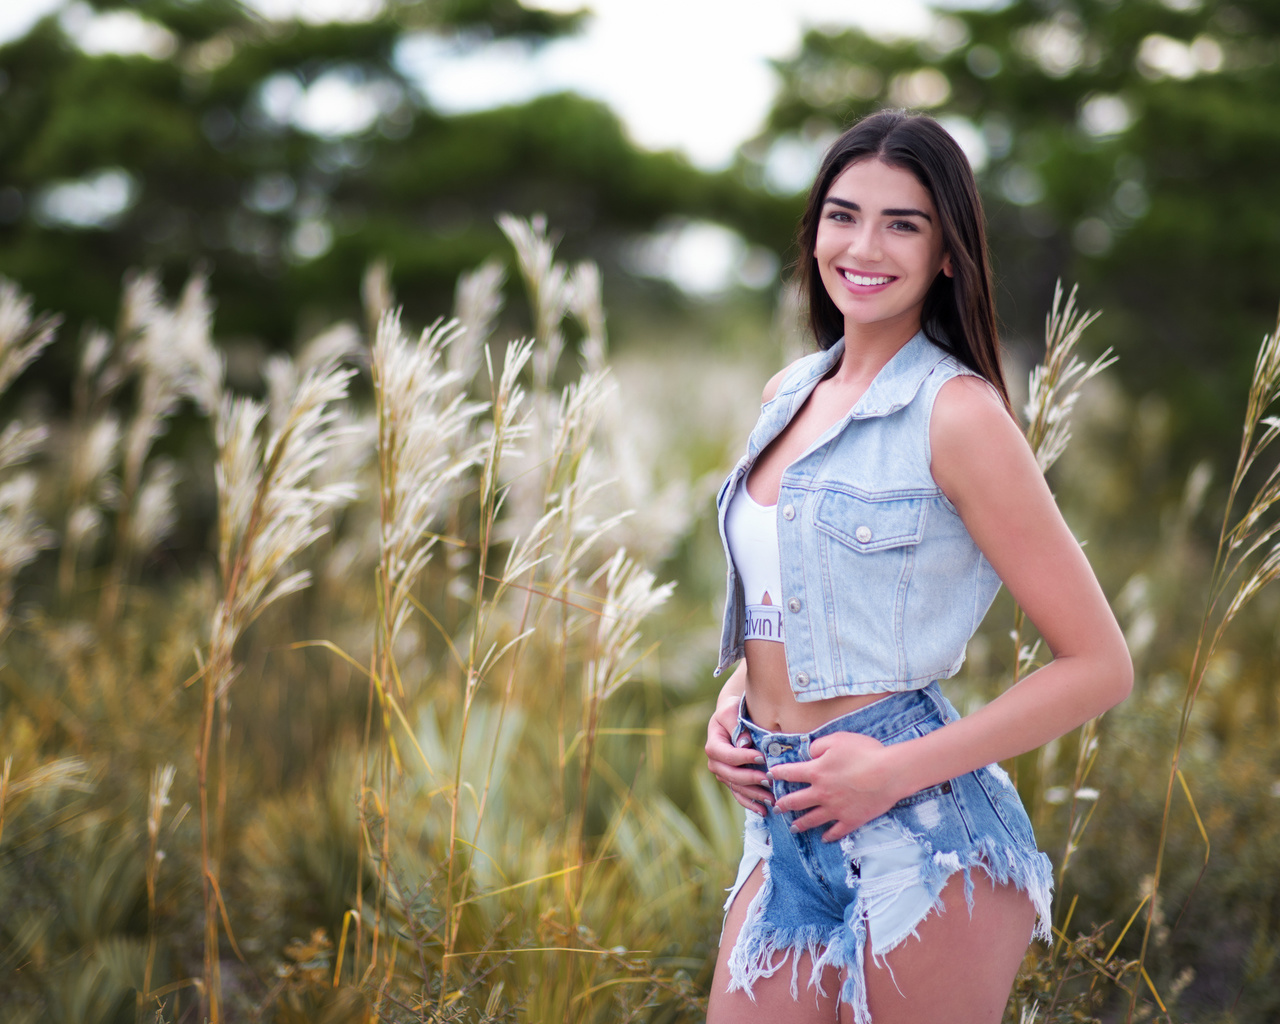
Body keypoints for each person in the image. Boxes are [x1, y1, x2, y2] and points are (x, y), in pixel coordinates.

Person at [703, 109, 1133, 1024]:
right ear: (815, 229)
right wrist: (734, 700)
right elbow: (790, 601)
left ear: (947, 253)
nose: (864, 246)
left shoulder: (958, 415)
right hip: (788, 818)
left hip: (922, 835)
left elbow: (1099, 666)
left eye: (903, 223)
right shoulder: (789, 393)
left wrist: (895, 773)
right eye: (843, 214)